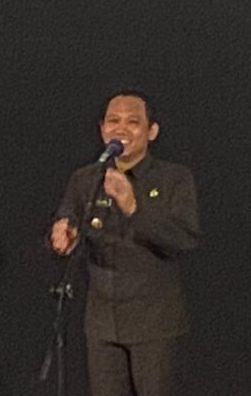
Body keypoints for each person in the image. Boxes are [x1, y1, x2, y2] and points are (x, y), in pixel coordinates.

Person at [50, 90, 199, 396]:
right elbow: (68, 223)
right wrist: (64, 239)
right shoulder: (86, 179)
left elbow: (183, 238)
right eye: (113, 121)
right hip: (103, 323)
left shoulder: (174, 178)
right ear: (102, 129)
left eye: (133, 122)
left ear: (151, 131)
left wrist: (133, 207)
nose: (121, 129)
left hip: (155, 323)